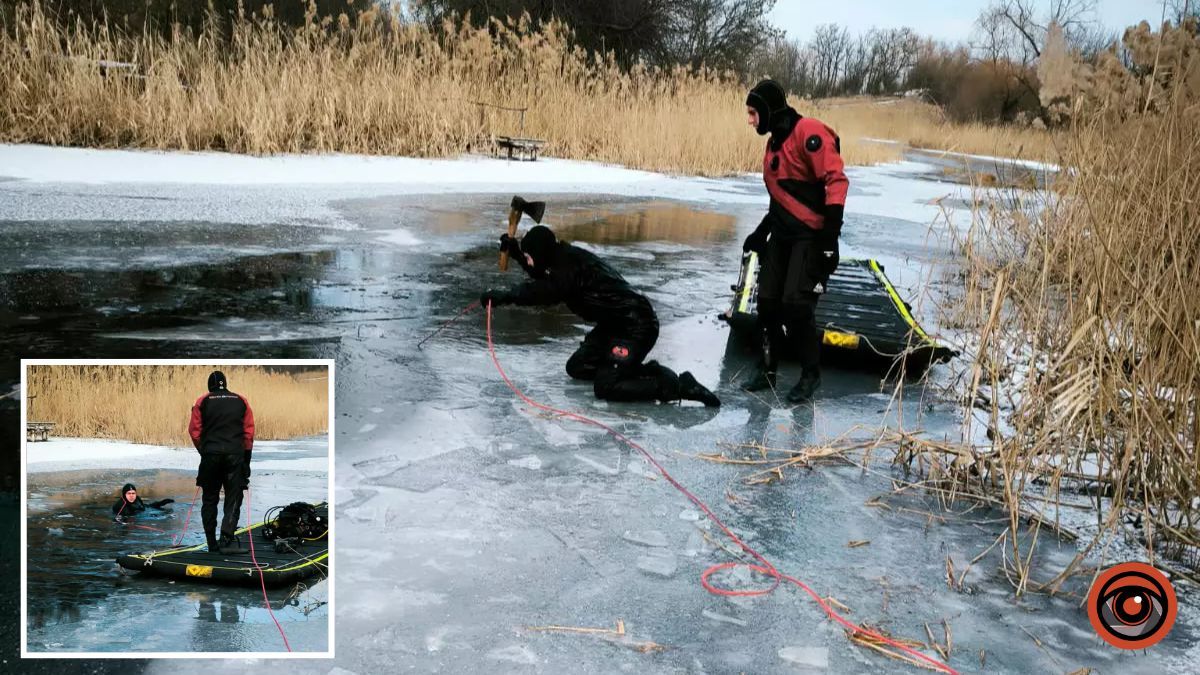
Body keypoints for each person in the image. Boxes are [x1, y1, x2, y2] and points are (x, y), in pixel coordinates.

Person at [481, 225, 720, 407]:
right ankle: (633, 368)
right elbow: (544, 274)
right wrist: (516, 253)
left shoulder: (568, 267)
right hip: (613, 324)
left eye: (530, 255)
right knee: (578, 367)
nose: (529, 261)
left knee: (606, 387)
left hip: (635, 325)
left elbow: (546, 290)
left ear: (541, 253)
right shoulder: (561, 257)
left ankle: (677, 386)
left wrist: (505, 296)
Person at [740, 79, 849, 403]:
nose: (750, 120)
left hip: (811, 237)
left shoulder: (808, 132)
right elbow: (780, 200)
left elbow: (837, 182)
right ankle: (768, 369)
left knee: (796, 306)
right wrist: (761, 233)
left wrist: (829, 241)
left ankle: (810, 376)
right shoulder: (773, 145)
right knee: (768, 303)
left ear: (768, 110)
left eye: (752, 112)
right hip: (783, 235)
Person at [188, 370, 255, 554]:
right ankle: (227, 538)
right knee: (234, 496)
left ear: (209, 386)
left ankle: (211, 543)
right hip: (235, 455)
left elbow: (194, 431)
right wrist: (246, 460)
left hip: (211, 456)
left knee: (209, 499)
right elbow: (248, 433)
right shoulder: (241, 400)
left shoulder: (202, 401)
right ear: (225, 383)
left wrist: (205, 451)